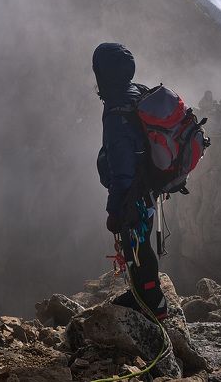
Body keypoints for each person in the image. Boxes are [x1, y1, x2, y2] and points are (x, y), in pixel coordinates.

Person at [92, 42, 167, 319]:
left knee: (136, 242)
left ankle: (151, 301)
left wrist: (114, 210)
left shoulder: (116, 110)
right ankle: (143, 293)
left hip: (133, 188)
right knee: (138, 241)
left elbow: (121, 165)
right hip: (147, 182)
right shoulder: (137, 92)